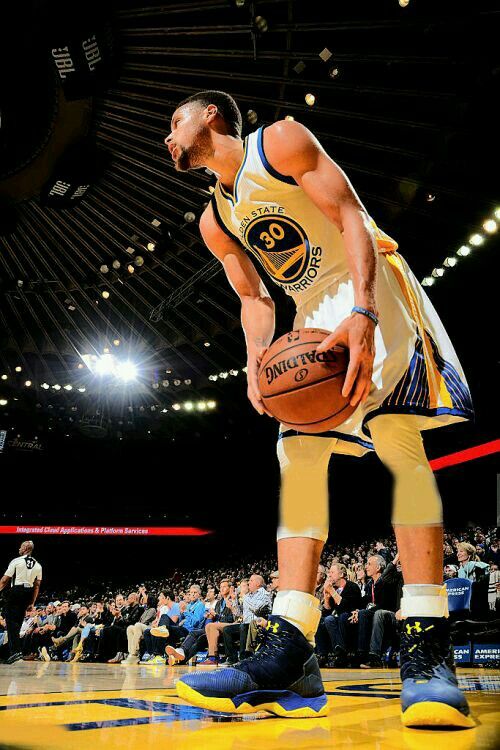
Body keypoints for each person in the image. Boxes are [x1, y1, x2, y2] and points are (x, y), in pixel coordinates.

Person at [166, 90, 474, 727]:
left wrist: (362, 310)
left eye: (176, 122)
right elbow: (255, 299)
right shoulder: (214, 219)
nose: (168, 137)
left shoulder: (278, 141)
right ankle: (291, 652)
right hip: (308, 313)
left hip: (367, 282)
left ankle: (426, 646)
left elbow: (351, 216)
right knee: (297, 454)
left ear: (213, 117)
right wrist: (255, 363)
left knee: (398, 440)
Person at [0, 540, 42, 664]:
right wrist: (32, 602)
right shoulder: (38, 565)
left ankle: (15, 653)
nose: (19, 548)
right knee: (17, 623)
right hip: (28, 593)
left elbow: (4, 580)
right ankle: (11, 651)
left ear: (25, 548)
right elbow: (37, 585)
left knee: (11, 621)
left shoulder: (16, 561)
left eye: (20, 546)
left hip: (17, 591)